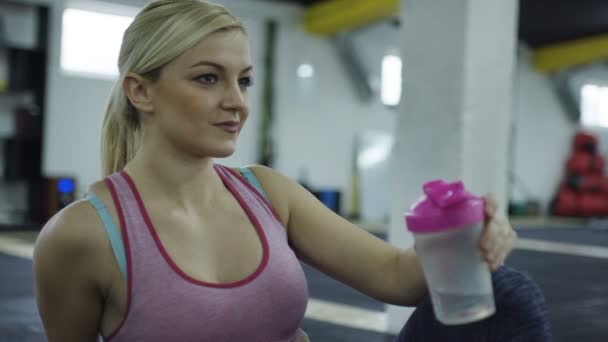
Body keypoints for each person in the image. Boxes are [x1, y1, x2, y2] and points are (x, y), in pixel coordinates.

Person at [32, 1, 550, 341]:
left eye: (245, 80)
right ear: (140, 91)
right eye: (209, 78)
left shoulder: (267, 192)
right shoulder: (83, 236)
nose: (236, 102)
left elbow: (398, 278)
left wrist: (463, 237)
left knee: (507, 291)